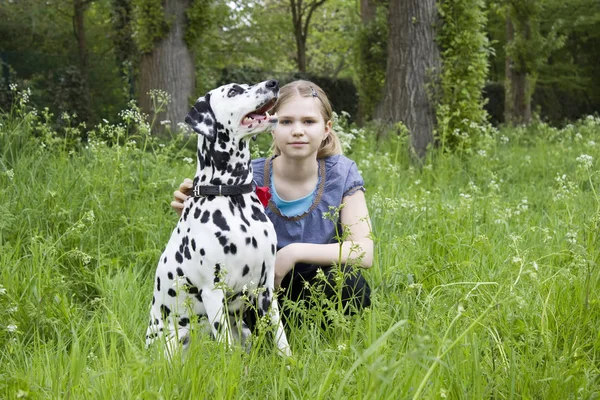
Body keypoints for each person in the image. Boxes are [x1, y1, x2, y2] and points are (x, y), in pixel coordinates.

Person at [171, 80, 373, 322]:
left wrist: (292, 253)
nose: (298, 130)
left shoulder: (342, 173)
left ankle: (322, 341)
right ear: (271, 125)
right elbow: (217, 246)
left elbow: (363, 251)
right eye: (286, 121)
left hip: (318, 284)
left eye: (309, 122)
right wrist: (196, 210)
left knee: (351, 282)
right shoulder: (247, 176)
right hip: (259, 291)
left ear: (326, 129)